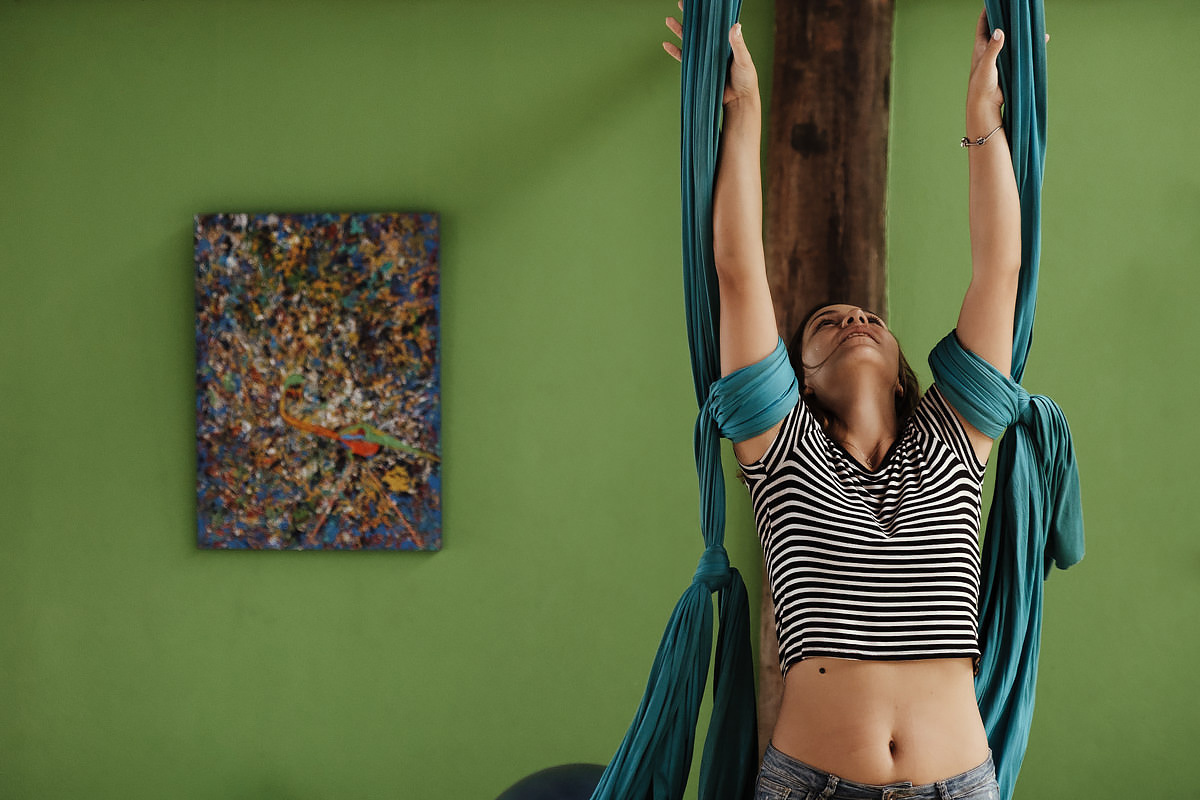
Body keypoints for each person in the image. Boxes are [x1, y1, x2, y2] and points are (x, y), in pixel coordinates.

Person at [664, 6, 1030, 799]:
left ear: (903, 369)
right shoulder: (781, 446)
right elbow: (736, 269)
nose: (855, 321)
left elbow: (1001, 270)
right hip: (813, 784)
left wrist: (981, 122)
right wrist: (746, 113)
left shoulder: (953, 436)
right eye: (827, 325)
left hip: (958, 785)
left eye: (870, 320)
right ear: (798, 378)